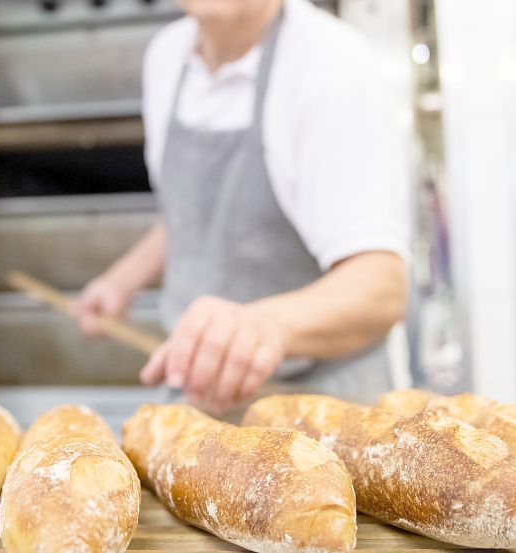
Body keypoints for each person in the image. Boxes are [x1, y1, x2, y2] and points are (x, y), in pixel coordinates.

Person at [74, 0, 409, 414]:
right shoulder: (166, 55)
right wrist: (122, 280)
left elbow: (380, 288)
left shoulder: (329, 63)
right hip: (198, 400)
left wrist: (268, 326)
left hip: (320, 413)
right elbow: (197, 214)